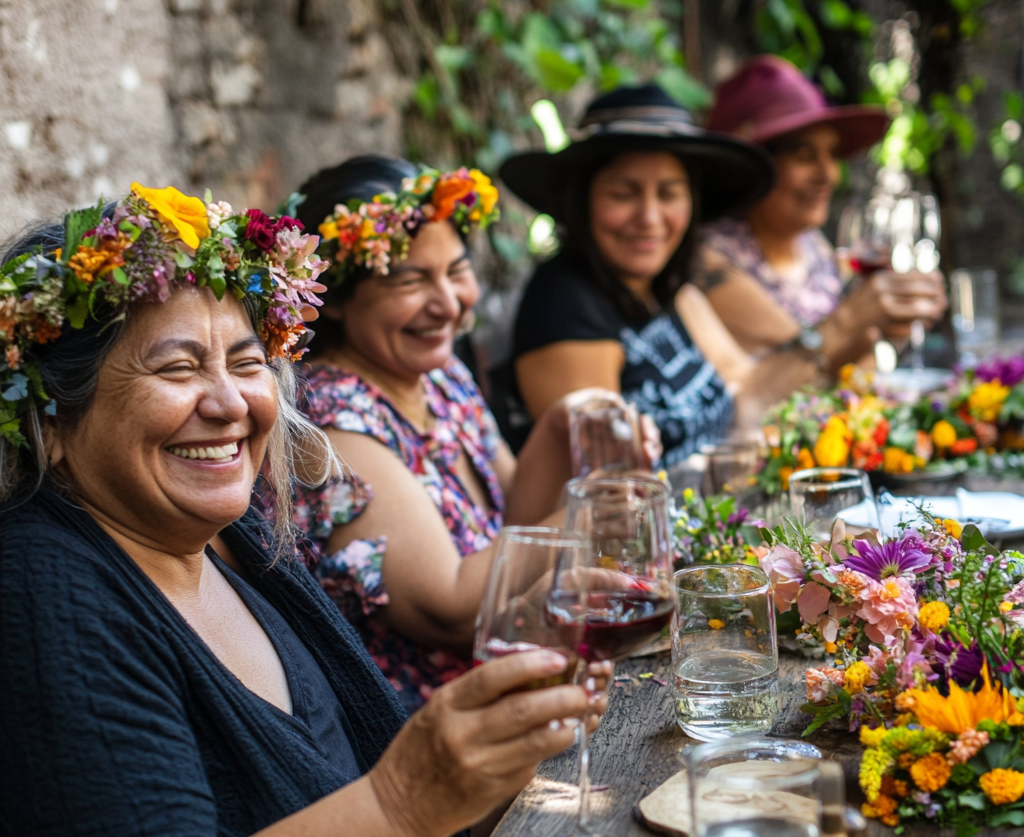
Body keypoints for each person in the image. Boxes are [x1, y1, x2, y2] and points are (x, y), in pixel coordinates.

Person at [0, 186, 608, 837]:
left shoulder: (243, 548)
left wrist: (511, 744)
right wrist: (412, 795)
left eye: (246, 363)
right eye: (178, 368)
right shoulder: (46, 594)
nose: (229, 402)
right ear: (54, 420)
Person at [278, 157, 651, 713]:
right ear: (337, 298)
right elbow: (453, 608)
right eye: (409, 279)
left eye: (456, 271)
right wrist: (590, 511)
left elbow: (514, 521)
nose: (449, 303)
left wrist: (562, 423)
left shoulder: (438, 375)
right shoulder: (331, 424)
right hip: (438, 733)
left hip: (522, 678)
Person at [494, 83, 775, 465]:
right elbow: (607, 485)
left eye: (669, 194)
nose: (649, 218)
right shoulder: (563, 303)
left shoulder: (662, 288)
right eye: (623, 194)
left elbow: (749, 391)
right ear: (584, 201)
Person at [698, 55, 948, 413]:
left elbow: (845, 365)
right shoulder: (710, 256)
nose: (828, 174)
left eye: (831, 154)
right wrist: (860, 321)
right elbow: (797, 364)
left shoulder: (813, 247)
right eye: (803, 155)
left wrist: (890, 329)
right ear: (751, 167)